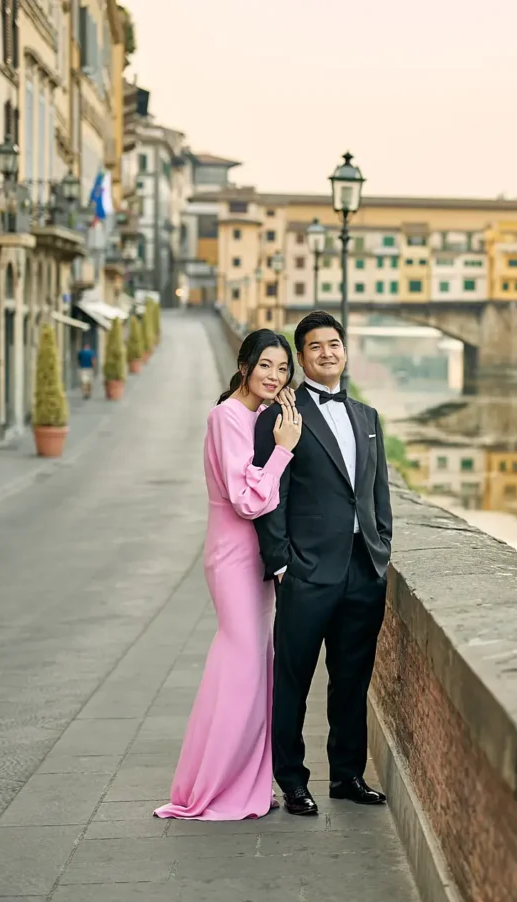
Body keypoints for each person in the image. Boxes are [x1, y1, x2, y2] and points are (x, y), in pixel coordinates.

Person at [154, 329, 302, 821]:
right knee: (240, 668)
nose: (274, 376)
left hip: (254, 556)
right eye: (266, 366)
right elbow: (246, 499)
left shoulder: (261, 417)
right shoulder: (227, 417)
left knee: (256, 668)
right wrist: (283, 451)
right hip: (233, 556)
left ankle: (246, 786)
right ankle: (213, 788)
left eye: (282, 369)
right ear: (244, 366)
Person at [252, 310, 392, 816]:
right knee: (293, 679)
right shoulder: (281, 416)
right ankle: (292, 781)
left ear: (345, 350)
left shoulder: (368, 418)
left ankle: (348, 775)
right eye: (315, 347)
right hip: (307, 572)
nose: (327, 353)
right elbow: (272, 495)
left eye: (334, 344)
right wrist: (283, 564)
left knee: (352, 678)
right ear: (301, 357)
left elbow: (377, 495)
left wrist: (382, 552)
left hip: (362, 571)